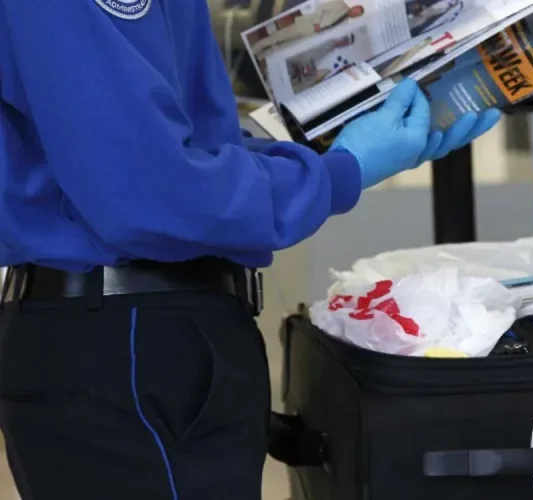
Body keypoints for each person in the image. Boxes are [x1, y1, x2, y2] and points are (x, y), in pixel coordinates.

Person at [0, 1, 501, 499]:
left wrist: (333, 149)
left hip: (156, 324)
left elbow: (186, 148)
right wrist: (338, 170)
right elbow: (146, 192)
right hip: (122, 339)